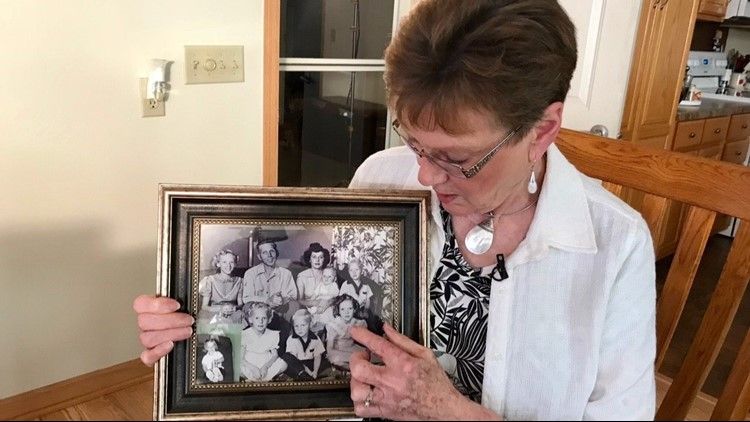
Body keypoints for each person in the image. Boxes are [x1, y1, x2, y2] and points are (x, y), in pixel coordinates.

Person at [134, 0, 656, 419]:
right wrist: (192, 331)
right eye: (415, 144)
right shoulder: (380, 179)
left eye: (457, 159)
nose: (425, 177)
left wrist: (448, 412)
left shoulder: (614, 246)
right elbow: (327, 358)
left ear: (542, 131)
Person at [241, 240, 298, 320]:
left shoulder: (286, 273)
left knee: (294, 305)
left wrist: (282, 300)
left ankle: (289, 331)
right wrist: (267, 300)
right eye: (265, 253)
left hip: (279, 312)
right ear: (259, 256)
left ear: (276, 253)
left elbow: (293, 296)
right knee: (247, 307)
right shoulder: (250, 273)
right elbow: (246, 298)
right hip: (258, 313)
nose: (269, 255)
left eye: (272, 251)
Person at [240, 302, 288, 382]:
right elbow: (241, 358)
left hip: (265, 361)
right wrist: (253, 368)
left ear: (269, 320)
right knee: (237, 366)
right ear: (250, 319)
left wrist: (266, 367)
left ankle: (259, 379)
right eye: (257, 318)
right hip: (249, 362)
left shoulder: (273, 334)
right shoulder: (245, 334)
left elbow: (275, 355)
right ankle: (256, 378)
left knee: (284, 364)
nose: (261, 321)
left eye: (264, 318)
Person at [282, 309, 328, 381]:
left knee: (326, 361)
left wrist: (315, 371)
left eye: (303, 325)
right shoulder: (291, 339)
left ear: (309, 324)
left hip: (310, 363)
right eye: (296, 326)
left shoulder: (315, 338)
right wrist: (308, 372)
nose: (299, 329)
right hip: (298, 365)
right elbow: (294, 360)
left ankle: (312, 375)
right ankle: (303, 375)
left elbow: (317, 357)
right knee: (286, 357)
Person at [325, 294, 367, 371]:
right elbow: (330, 349)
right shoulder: (334, 325)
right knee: (336, 359)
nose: (346, 312)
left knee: (371, 355)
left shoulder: (358, 322)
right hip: (337, 350)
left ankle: (359, 366)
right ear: (339, 311)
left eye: (350, 308)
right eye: (343, 309)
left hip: (352, 348)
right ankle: (355, 369)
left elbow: (365, 341)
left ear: (354, 309)